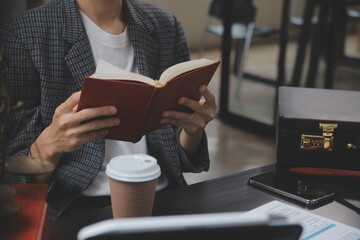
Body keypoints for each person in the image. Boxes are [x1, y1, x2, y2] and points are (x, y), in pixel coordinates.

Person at [0, 0, 217, 220]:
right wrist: (49, 145)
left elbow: (178, 157)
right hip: (73, 204)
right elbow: (13, 175)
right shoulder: (23, 33)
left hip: (159, 193)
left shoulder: (166, 25)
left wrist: (193, 132)